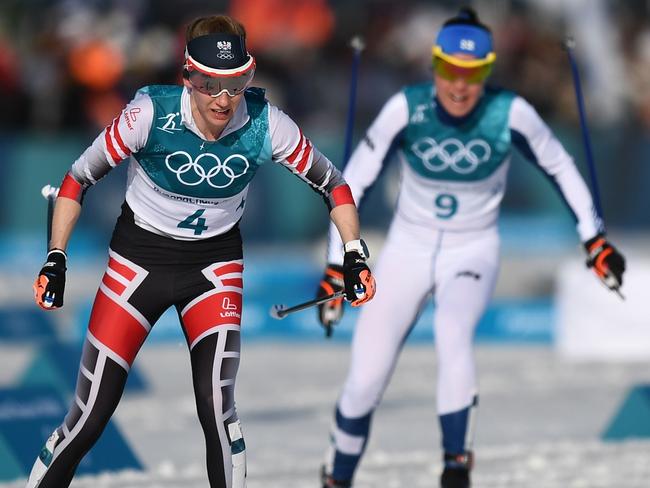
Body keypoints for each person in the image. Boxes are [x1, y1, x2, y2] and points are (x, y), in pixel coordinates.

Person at [28, 14, 376, 488]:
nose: (224, 99)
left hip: (213, 270)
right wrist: (56, 257)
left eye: (236, 83)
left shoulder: (265, 124)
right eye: (210, 84)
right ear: (188, 78)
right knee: (90, 415)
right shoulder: (148, 115)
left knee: (218, 410)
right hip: (137, 266)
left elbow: (334, 185)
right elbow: (76, 180)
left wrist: (354, 252)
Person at [316, 7, 625, 488]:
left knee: (453, 332)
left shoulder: (509, 112)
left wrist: (594, 239)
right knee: (364, 380)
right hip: (407, 251)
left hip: (472, 251)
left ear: (488, 72)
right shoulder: (407, 106)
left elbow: (562, 167)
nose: (460, 87)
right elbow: (352, 182)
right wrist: (339, 266)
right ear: (434, 66)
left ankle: (455, 468)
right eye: (450, 73)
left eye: (474, 74)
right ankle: (337, 477)